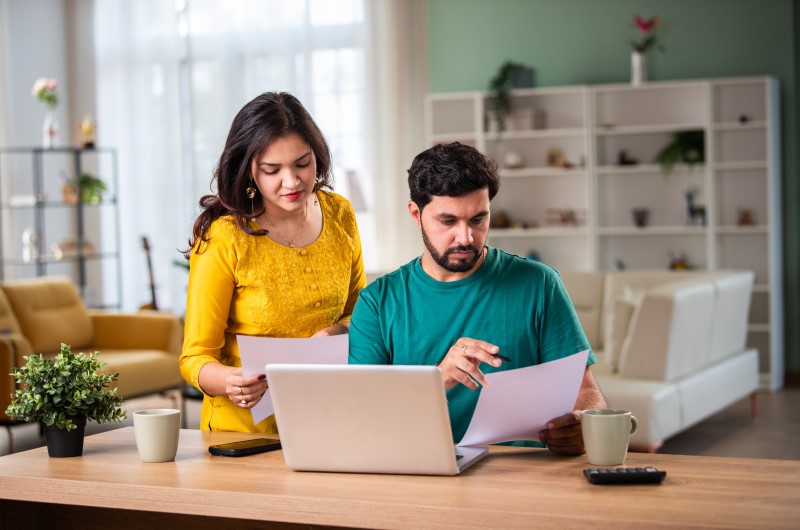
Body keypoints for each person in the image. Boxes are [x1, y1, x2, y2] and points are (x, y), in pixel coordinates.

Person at [348, 142, 606, 455]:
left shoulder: (539, 284)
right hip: (422, 473)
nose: (466, 237)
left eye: (478, 219)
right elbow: (365, 419)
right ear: (416, 214)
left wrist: (583, 422)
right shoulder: (378, 303)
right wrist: (437, 381)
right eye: (448, 221)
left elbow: (586, 390)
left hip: (524, 475)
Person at [180, 92, 365, 433]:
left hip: (327, 418)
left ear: (318, 156)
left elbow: (362, 313)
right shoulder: (225, 237)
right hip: (244, 431)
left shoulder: (340, 213)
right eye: (272, 170)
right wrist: (230, 381)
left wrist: (338, 331)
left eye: (302, 163)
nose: (292, 182)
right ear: (249, 170)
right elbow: (195, 358)